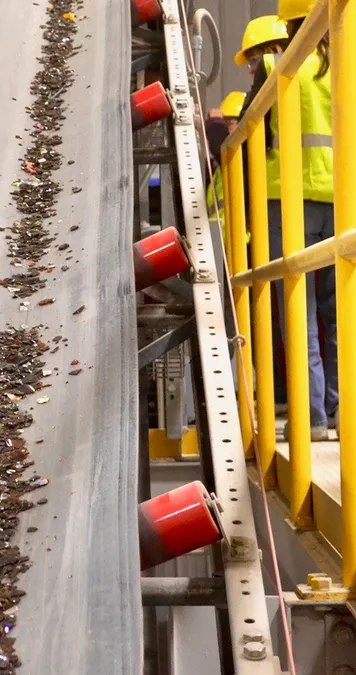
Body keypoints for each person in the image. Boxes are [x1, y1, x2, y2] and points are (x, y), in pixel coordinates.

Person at [242, 0, 334, 440]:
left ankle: (310, 420)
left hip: (291, 203)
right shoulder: (344, 63)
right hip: (343, 204)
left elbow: (244, 130)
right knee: (339, 316)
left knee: (297, 311)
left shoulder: (277, 64)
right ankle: (341, 414)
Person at [205, 91, 246, 223]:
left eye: (231, 123)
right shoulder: (217, 168)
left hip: (243, 239)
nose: (227, 129)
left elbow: (219, 145)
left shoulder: (248, 155)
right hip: (222, 238)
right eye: (225, 123)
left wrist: (215, 122)